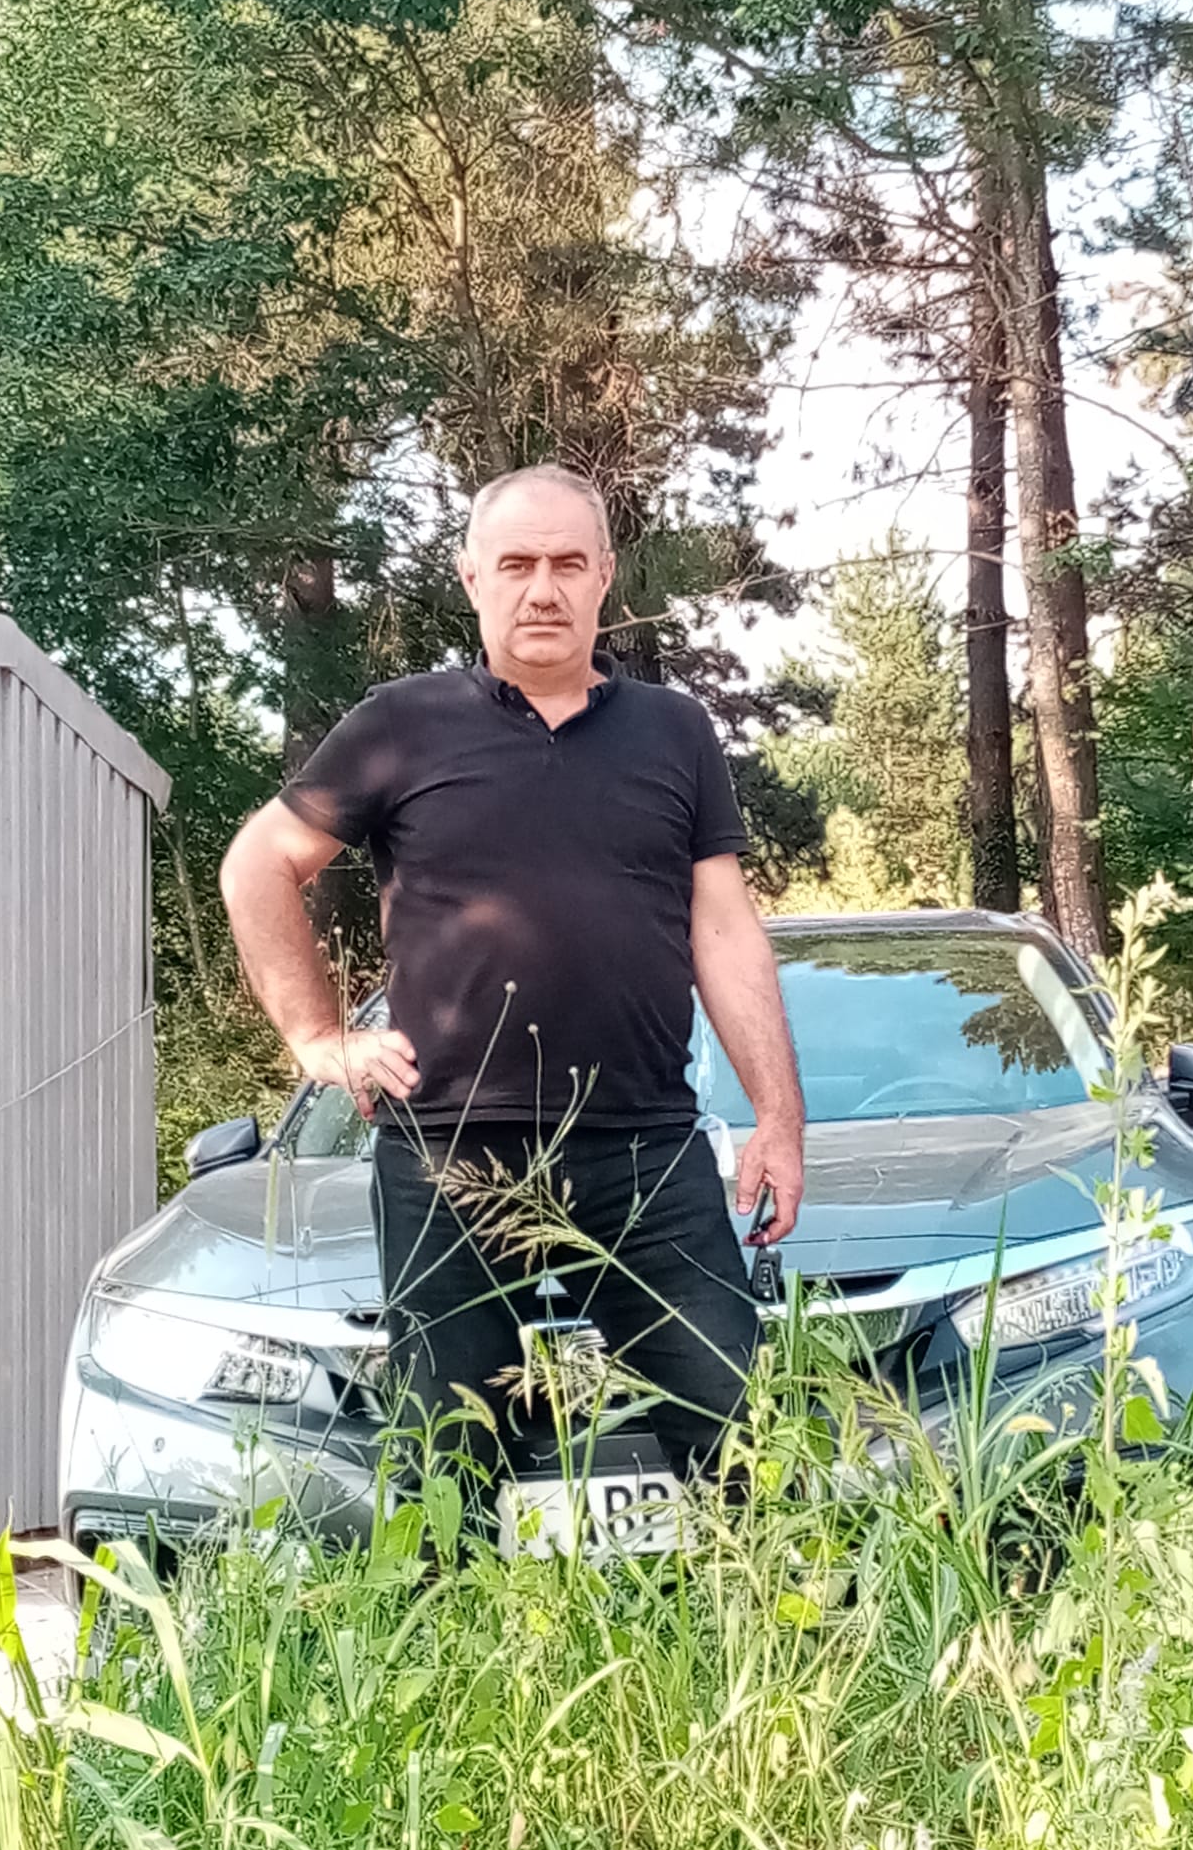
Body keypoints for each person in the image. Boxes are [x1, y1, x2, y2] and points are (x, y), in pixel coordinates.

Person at [221, 463, 804, 1504]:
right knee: (444, 1479)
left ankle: (748, 1614)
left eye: (568, 563)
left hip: (646, 1149)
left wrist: (778, 1116)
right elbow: (258, 864)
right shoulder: (401, 723)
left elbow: (724, 930)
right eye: (518, 563)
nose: (543, 588)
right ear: (473, 577)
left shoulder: (674, 731)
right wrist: (317, 1038)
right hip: (450, 1157)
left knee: (746, 1456)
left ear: (605, 577)